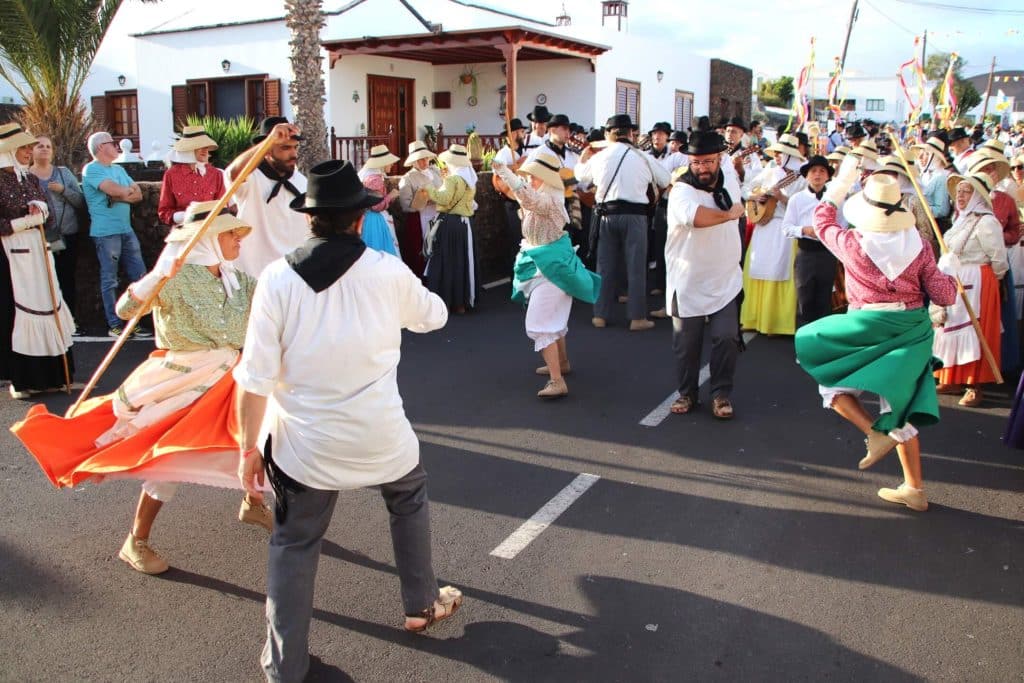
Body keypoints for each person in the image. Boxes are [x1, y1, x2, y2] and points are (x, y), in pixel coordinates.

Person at [233, 160, 461, 682]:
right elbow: (436, 316)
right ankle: (421, 603)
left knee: (294, 543)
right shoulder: (386, 270)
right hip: (381, 434)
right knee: (408, 498)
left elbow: (255, 379)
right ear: (359, 219)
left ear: (310, 219)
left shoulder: (275, 278)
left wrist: (249, 450)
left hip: (304, 447)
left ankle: (285, 665)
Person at [12, 201, 268, 574]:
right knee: (171, 461)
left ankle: (253, 502)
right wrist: (156, 277)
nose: (239, 239)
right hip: (183, 381)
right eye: (231, 233)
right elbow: (125, 310)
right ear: (208, 238)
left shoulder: (239, 279)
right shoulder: (173, 278)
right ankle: (137, 540)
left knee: (258, 440)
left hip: (234, 376)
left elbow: (273, 305)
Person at [795, 168, 957, 512]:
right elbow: (944, 295)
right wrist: (951, 274)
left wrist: (845, 177)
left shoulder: (852, 243)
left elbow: (822, 218)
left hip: (867, 325)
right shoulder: (921, 246)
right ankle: (914, 487)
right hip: (909, 329)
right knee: (899, 407)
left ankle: (874, 432)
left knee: (830, 382)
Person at [494, 152, 601, 398]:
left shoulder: (550, 201)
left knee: (540, 322)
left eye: (534, 176)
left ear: (545, 179)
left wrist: (506, 173)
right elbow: (525, 199)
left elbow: (526, 197)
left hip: (551, 268)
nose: (530, 180)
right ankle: (561, 364)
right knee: (552, 319)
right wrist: (511, 175)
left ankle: (557, 380)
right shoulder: (544, 197)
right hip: (546, 265)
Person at [664, 130, 745, 419]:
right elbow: (696, 218)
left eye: (708, 162)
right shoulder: (681, 191)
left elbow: (739, 189)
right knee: (686, 345)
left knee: (726, 337)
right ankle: (687, 393)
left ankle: (721, 395)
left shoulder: (729, 177)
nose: (702, 168)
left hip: (725, 279)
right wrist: (729, 215)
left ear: (719, 159)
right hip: (687, 283)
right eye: (696, 162)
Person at [0, 123, 74, 398]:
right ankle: (21, 379)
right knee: (19, 312)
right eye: (23, 147)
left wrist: (41, 212)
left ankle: (50, 375)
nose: (29, 152)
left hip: (38, 251)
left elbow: (50, 216)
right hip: (10, 255)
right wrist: (22, 222)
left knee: (48, 304)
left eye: (30, 147)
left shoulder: (29, 179)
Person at [576, 113, 670, 331]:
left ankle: (600, 315)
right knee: (636, 266)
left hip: (606, 215)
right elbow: (665, 179)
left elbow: (581, 177)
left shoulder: (600, 156)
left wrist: (582, 157)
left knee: (605, 266)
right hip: (635, 216)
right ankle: (637, 318)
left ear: (609, 134)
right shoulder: (643, 157)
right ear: (630, 133)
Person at [931, 171, 1008, 408]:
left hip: (978, 281)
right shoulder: (960, 220)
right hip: (955, 279)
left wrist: (983, 279)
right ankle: (952, 377)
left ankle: (975, 385)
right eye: (959, 191)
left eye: (967, 191)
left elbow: (999, 261)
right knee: (951, 327)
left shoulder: (987, 222)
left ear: (977, 196)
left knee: (975, 332)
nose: (960, 196)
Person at [82, 130, 152, 338]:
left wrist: (119, 196)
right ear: (101, 147)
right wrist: (121, 194)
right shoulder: (91, 170)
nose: (116, 146)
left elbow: (136, 194)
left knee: (139, 277)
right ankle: (114, 324)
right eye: (112, 143)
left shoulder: (118, 170)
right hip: (106, 233)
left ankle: (135, 322)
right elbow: (117, 191)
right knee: (110, 279)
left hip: (125, 230)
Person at [739, 133, 807, 335]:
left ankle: (777, 323)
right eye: (776, 153)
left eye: (781, 153)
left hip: (783, 229)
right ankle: (752, 317)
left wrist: (783, 198)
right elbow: (745, 188)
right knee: (756, 268)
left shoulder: (801, 178)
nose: (777, 157)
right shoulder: (769, 172)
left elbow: (801, 209)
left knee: (780, 272)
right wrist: (755, 196)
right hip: (763, 227)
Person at [226, 118, 308, 277]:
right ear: (267, 151)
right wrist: (270, 140)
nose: (294, 154)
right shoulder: (251, 179)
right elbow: (232, 174)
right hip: (254, 275)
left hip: (294, 275)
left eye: (295, 147)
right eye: (285, 148)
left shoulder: (301, 181)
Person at [782, 155, 841, 327]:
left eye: (822, 171)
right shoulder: (797, 199)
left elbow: (842, 225)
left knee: (824, 300)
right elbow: (786, 227)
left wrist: (829, 231)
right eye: (813, 171)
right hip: (805, 253)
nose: (817, 175)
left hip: (827, 253)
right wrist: (804, 230)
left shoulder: (835, 199)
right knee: (804, 300)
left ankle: (821, 347)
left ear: (828, 176)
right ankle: (803, 348)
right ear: (807, 175)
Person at [30, 134, 84, 320]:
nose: (44, 148)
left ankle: (70, 319)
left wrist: (63, 190)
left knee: (66, 277)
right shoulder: (26, 176)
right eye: (39, 146)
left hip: (67, 234)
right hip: (39, 237)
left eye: (48, 146)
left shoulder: (63, 173)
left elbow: (80, 201)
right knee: (43, 281)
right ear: (31, 150)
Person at [422, 144, 478, 313]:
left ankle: (446, 300)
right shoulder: (470, 180)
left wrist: (429, 188)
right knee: (462, 262)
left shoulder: (453, 179)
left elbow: (444, 198)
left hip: (449, 224)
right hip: (465, 224)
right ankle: (461, 301)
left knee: (446, 261)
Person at [646, 121, 687, 309]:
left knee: (676, 246)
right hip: (658, 204)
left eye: (661, 134)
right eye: (655, 134)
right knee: (659, 243)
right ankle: (659, 284)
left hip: (674, 204)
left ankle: (671, 287)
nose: (657, 137)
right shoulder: (646, 155)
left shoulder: (676, 158)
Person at [157, 125, 226, 226]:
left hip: (210, 233)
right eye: (199, 146)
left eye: (206, 146)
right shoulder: (171, 175)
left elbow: (223, 208)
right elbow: (164, 211)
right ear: (188, 149)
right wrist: (184, 217)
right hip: (183, 233)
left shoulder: (217, 174)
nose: (205, 150)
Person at [397, 140, 442, 275]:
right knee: (421, 251)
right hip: (419, 219)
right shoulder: (407, 178)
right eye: (420, 159)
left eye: (426, 158)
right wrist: (423, 201)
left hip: (437, 214)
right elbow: (405, 204)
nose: (424, 162)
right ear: (414, 161)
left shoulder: (435, 172)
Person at [492, 118, 529, 268]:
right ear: (513, 134)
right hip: (512, 200)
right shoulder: (503, 153)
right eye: (521, 131)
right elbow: (497, 170)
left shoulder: (525, 151)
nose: (523, 134)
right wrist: (517, 165)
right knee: (515, 238)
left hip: (525, 198)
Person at [357, 145, 401, 256]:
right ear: (383, 162)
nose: (392, 164)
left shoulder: (370, 175)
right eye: (390, 162)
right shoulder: (374, 179)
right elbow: (375, 206)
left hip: (368, 217)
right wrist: (390, 196)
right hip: (374, 220)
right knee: (379, 252)